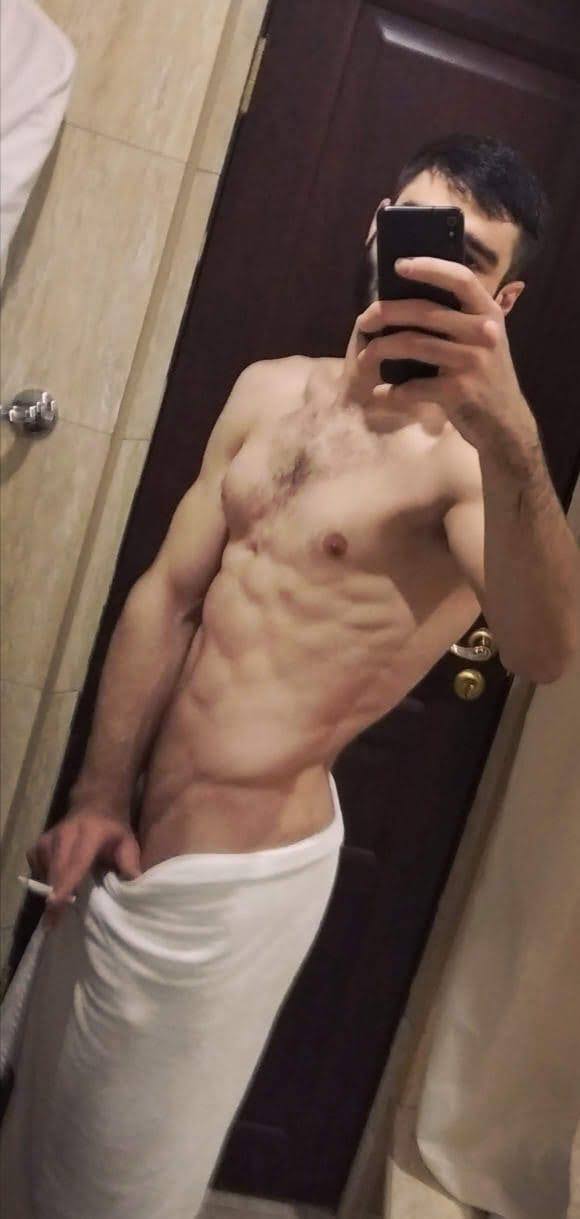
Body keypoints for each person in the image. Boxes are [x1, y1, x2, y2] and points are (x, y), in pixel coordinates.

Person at [3, 133, 579, 1218]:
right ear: (377, 228)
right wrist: (97, 793)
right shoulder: (269, 391)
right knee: (40, 1139)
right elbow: (168, 596)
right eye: (419, 235)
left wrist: (509, 431)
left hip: (232, 886)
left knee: (118, 1188)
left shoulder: (463, 472)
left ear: (502, 302)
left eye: (467, 263)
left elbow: (548, 650)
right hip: (126, 838)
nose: (431, 271)